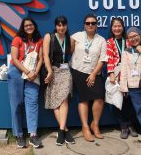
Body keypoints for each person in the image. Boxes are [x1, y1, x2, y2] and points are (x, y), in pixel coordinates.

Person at [70, 13, 107, 142]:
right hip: (79, 72)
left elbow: (102, 59)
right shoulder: (76, 36)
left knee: (100, 98)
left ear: (97, 25)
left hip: (94, 73)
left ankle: (94, 124)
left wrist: (92, 74)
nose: (90, 25)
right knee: (84, 99)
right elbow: (66, 49)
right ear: (84, 25)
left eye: (93, 23)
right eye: (88, 23)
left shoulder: (101, 40)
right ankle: (85, 127)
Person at [7, 17, 43, 149]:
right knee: (16, 104)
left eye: (31, 25)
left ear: (34, 26)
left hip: (33, 75)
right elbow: (15, 59)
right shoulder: (17, 39)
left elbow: (41, 59)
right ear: (23, 27)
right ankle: (19, 135)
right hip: (17, 72)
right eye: (26, 25)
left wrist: (35, 72)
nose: (29, 27)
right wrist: (27, 72)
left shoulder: (39, 40)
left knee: (32, 102)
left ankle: (33, 135)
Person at [43, 16, 75, 146]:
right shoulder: (49, 37)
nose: (61, 28)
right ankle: (65, 130)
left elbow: (71, 53)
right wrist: (49, 71)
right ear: (56, 26)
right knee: (56, 103)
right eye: (59, 25)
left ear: (67, 26)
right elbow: (45, 55)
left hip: (66, 72)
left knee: (64, 99)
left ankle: (61, 131)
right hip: (54, 71)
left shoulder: (71, 39)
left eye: (63, 25)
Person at [106, 18, 138, 139]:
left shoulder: (129, 41)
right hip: (116, 74)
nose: (117, 28)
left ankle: (131, 125)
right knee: (118, 101)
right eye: (114, 26)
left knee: (129, 101)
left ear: (123, 27)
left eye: (119, 26)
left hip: (130, 73)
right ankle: (124, 127)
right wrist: (111, 74)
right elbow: (109, 58)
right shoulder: (109, 42)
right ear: (111, 28)